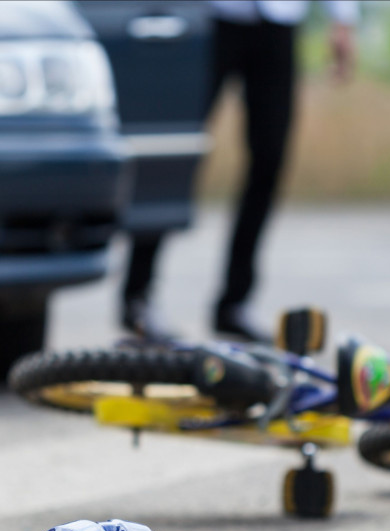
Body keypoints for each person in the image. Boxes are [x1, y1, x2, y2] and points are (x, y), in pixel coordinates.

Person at [121, 0, 358, 343]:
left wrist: (343, 18)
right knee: (178, 153)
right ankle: (137, 297)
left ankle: (235, 302)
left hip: (278, 20)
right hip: (210, 19)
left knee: (269, 159)